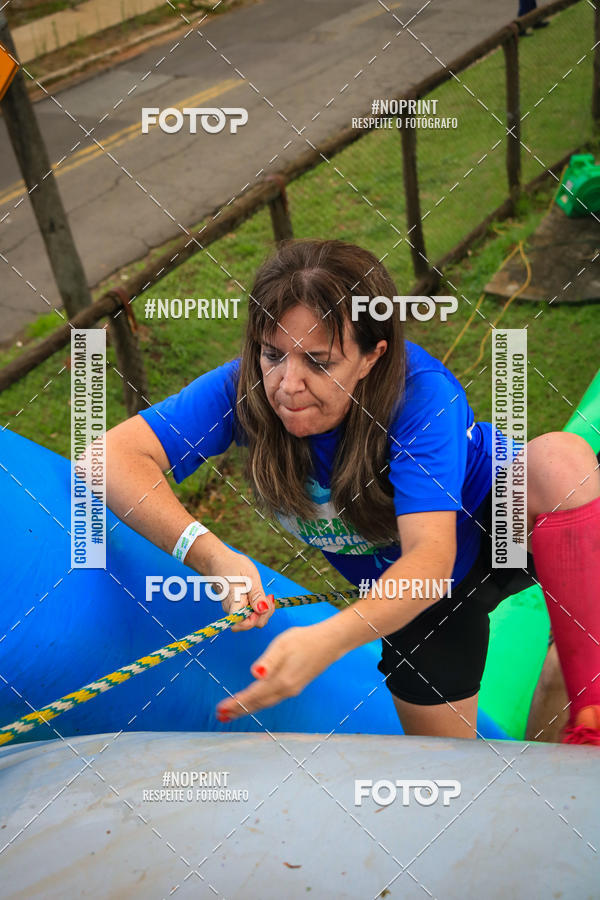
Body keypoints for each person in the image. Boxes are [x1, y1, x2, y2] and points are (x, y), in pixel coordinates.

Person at [105, 240, 600, 743]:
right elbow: (109, 458)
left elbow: (430, 556)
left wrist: (326, 641)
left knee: (561, 462)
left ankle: (592, 717)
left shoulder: (422, 394)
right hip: (410, 596)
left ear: (371, 357)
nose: (287, 385)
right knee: (452, 770)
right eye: (272, 354)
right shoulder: (244, 388)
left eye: (318, 363)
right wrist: (210, 555)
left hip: (494, 522)